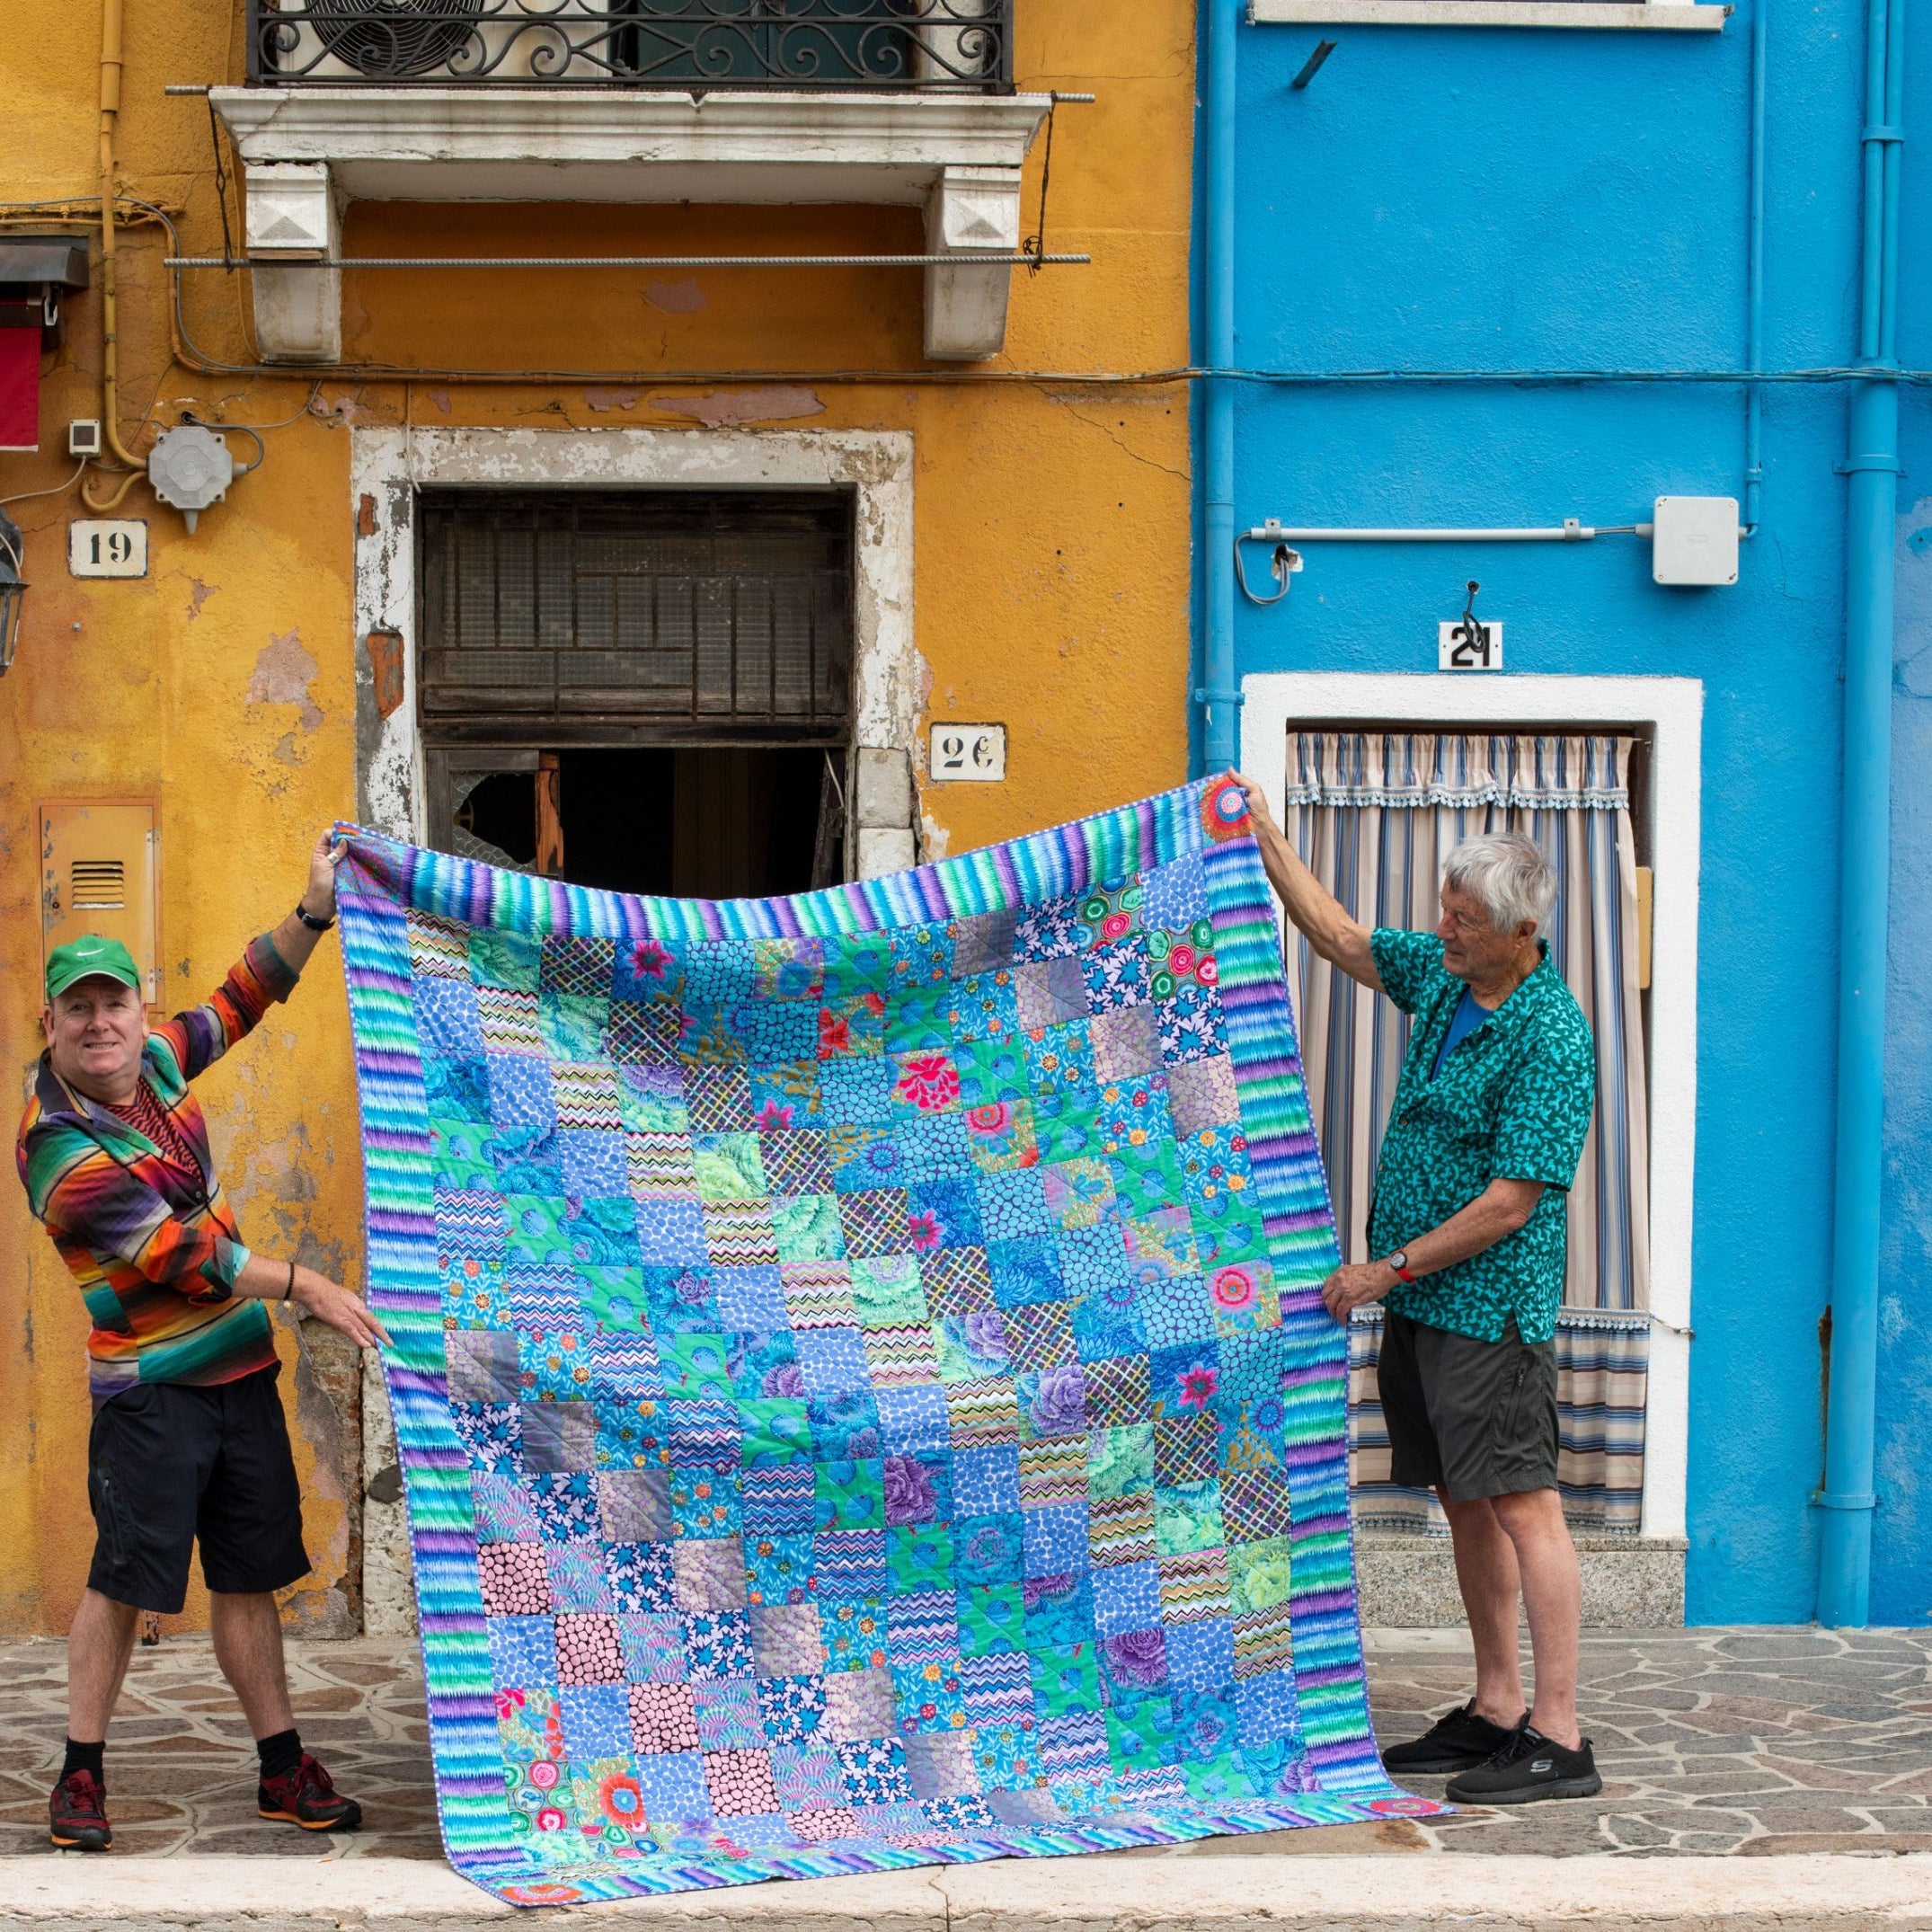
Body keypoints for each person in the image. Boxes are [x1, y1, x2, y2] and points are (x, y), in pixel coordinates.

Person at [18, 833, 390, 1853]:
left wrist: (313, 907)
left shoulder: (160, 1059)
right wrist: (306, 1282)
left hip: (241, 1373)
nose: (101, 1023)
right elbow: (182, 1254)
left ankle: (282, 1765)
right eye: (78, 1008)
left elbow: (242, 992)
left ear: (139, 1008)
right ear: (46, 1021)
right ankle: (80, 1771)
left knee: (247, 1573)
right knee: (126, 1579)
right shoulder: (54, 1142)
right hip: (150, 1392)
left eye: (115, 1003)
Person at [1235, 777, 1601, 1806]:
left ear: (1520, 931)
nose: (1442, 927)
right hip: (1423, 1308)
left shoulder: (1549, 1033)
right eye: (1443, 907)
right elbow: (1343, 939)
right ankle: (1493, 1706)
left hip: (1486, 1310)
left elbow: (1508, 1201)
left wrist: (1380, 1270)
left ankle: (1560, 1734)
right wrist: (1261, 836)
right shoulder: (1447, 981)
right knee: (1462, 1500)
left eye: (1464, 919)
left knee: (1524, 1504)